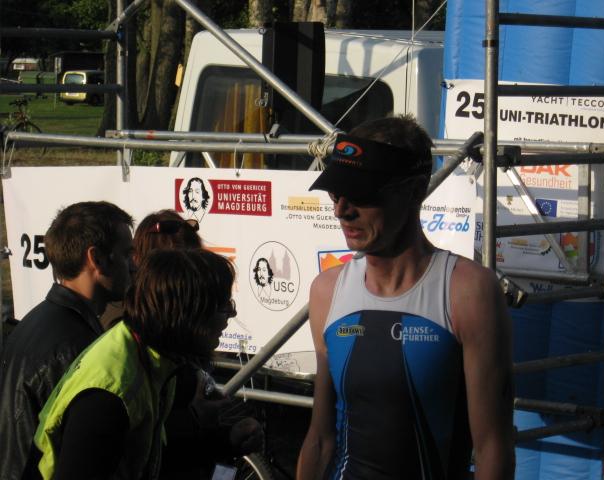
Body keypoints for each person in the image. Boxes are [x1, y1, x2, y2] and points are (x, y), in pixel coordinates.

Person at [296, 115, 514, 479]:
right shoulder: (327, 291)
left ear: (414, 190)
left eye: (361, 194)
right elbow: (319, 439)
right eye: (336, 194)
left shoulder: (468, 291)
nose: (341, 210)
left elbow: (493, 448)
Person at [30, 249, 254, 479]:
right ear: (188, 315)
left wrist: (225, 441)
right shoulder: (111, 394)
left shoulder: (152, 355)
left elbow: (150, 454)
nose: (232, 313)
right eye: (223, 306)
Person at [0, 201, 134, 480]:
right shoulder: (76, 347)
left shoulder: (37, 320)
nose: (133, 266)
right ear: (97, 259)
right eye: (126, 254)